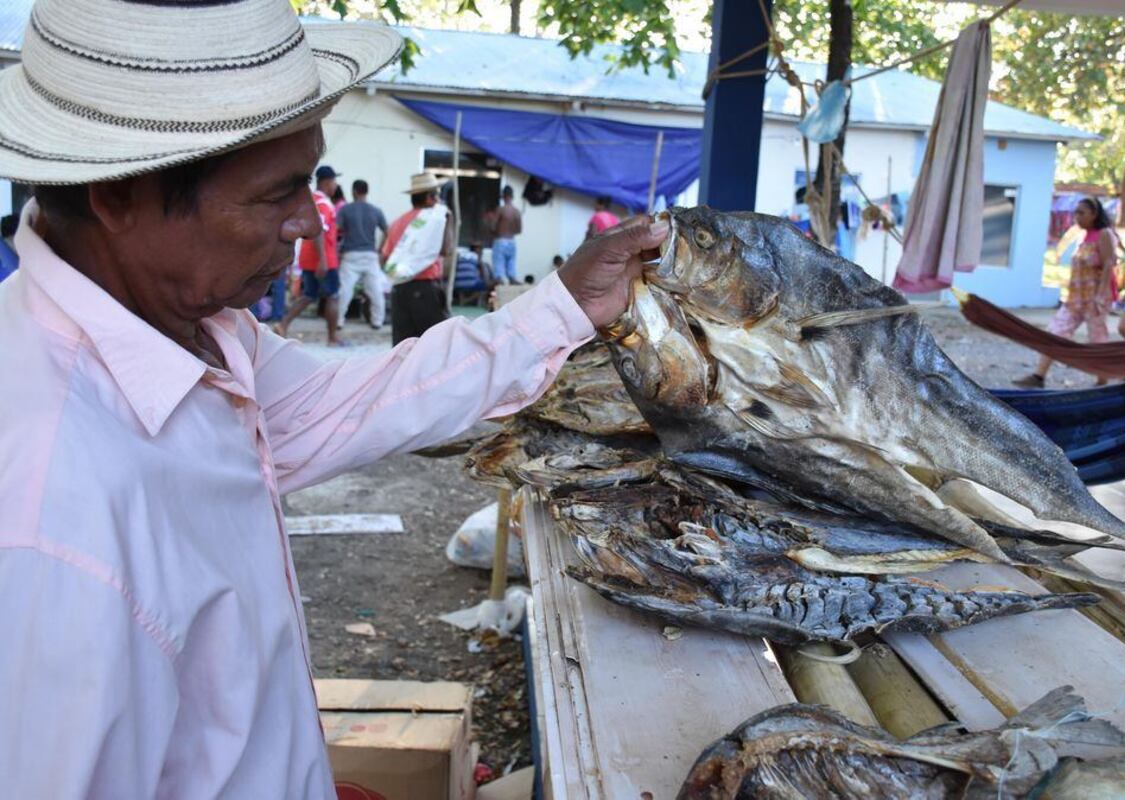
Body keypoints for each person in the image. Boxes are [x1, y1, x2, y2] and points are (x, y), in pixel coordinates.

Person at [0, 0, 669, 795]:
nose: (308, 226)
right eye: (275, 195)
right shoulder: (52, 522)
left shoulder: (193, 331)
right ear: (120, 197)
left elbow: (355, 400)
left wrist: (563, 305)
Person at [1013, 197, 1117, 388]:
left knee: (1097, 340)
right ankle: (1038, 377)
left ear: (1094, 214)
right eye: (1076, 212)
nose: (1077, 216)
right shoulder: (1082, 236)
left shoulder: (1104, 234)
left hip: (1095, 298)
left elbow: (1109, 263)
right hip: (1075, 298)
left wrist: (1101, 295)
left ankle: (1102, 381)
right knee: (1056, 332)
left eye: (1081, 213)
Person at [380, 171, 454, 345]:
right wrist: (448, 219)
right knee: (435, 344)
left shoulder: (397, 222)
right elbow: (446, 250)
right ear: (429, 198)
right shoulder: (435, 220)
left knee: (403, 346)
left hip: (399, 288)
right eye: (436, 195)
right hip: (425, 288)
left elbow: (384, 257)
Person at [275, 164, 344, 346]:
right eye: (334, 181)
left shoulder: (312, 200)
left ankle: (283, 324)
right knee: (333, 296)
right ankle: (332, 338)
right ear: (327, 182)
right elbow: (318, 230)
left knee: (309, 295)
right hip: (323, 258)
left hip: (309, 257)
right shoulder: (323, 204)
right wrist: (323, 260)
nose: (335, 185)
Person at [336, 179, 389, 330]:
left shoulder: (345, 210)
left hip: (350, 255)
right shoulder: (376, 210)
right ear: (367, 191)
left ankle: (339, 321)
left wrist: (337, 250)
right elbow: (387, 231)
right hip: (370, 255)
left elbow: (337, 230)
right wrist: (380, 250)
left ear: (354, 191)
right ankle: (377, 321)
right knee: (376, 290)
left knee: (345, 290)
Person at [489, 185, 522, 284]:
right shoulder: (516, 211)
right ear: (512, 196)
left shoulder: (501, 209)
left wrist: (495, 232)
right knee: (511, 266)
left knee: (498, 268)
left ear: (503, 196)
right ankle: (512, 279)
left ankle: (499, 281)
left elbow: (492, 226)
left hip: (500, 240)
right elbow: (519, 230)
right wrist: (510, 231)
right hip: (511, 241)